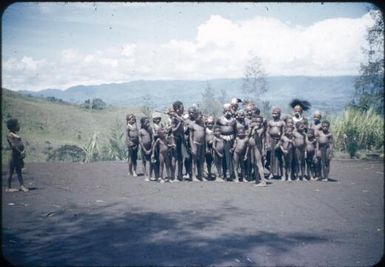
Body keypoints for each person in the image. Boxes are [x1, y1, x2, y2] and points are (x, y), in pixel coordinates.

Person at [6, 119, 29, 192]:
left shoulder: (13, 134)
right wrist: (20, 152)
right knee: (17, 171)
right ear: (13, 126)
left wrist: (22, 151)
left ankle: (8, 187)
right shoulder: (10, 135)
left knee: (11, 171)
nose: (19, 126)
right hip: (15, 156)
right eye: (17, 125)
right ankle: (21, 186)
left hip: (17, 156)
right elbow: (13, 146)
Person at [217, 103, 237, 181]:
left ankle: (231, 175)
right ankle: (224, 174)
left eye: (229, 110)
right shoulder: (219, 119)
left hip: (231, 139)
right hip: (222, 139)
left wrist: (235, 141)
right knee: (223, 157)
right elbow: (216, 129)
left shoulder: (234, 120)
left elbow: (235, 131)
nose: (227, 112)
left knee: (231, 158)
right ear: (223, 110)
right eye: (226, 110)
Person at [248, 115, 267, 186]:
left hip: (257, 147)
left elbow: (258, 135)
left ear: (261, 122)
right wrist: (250, 128)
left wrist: (255, 129)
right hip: (252, 146)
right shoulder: (253, 127)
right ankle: (257, 180)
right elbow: (248, 135)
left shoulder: (262, 128)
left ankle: (263, 181)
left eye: (259, 122)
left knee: (259, 163)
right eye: (256, 121)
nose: (258, 123)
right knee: (253, 163)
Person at [266, 107, 285, 179]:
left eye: (275, 113)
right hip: (272, 140)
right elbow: (267, 133)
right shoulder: (270, 122)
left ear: (279, 114)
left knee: (280, 157)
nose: (274, 115)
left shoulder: (282, 123)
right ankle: (271, 173)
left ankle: (282, 174)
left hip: (279, 141)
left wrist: (280, 143)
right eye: (273, 113)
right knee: (272, 157)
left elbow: (283, 133)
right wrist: (268, 143)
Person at [170, 101, 186, 181]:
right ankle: (173, 176)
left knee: (181, 158)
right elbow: (173, 130)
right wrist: (180, 123)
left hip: (181, 139)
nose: (183, 108)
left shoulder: (180, 116)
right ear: (178, 109)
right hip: (175, 139)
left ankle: (180, 175)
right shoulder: (174, 118)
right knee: (174, 158)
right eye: (182, 107)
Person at [188, 111, 206, 181]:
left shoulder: (203, 125)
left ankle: (201, 175)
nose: (201, 117)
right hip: (195, 144)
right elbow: (190, 137)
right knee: (194, 161)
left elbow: (204, 136)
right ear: (195, 117)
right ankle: (193, 176)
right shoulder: (192, 125)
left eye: (201, 116)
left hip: (202, 144)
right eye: (199, 116)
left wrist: (205, 147)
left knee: (201, 160)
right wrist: (192, 146)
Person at [138, 117, 154, 181]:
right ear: (142, 123)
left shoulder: (150, 130)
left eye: (148, 122)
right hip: (143, 149)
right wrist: (144, 149)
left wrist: (151, 149)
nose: (148, 123)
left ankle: (150, 175)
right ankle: (146, 176)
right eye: (146, 122)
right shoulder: (141, 131)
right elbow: (140, 141)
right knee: (144, 162)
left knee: (151, 162)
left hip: (150, 148)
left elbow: (153, 139)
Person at [205, 116, 215, 180]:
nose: (210, 125)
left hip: (214, 148)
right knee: (208, 161)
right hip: (207, 148)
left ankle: (213, 173)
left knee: (214, 161)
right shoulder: (205, 130)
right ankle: (208, 174)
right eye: (208, 123)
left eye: (211, 123)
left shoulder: (214, 130)